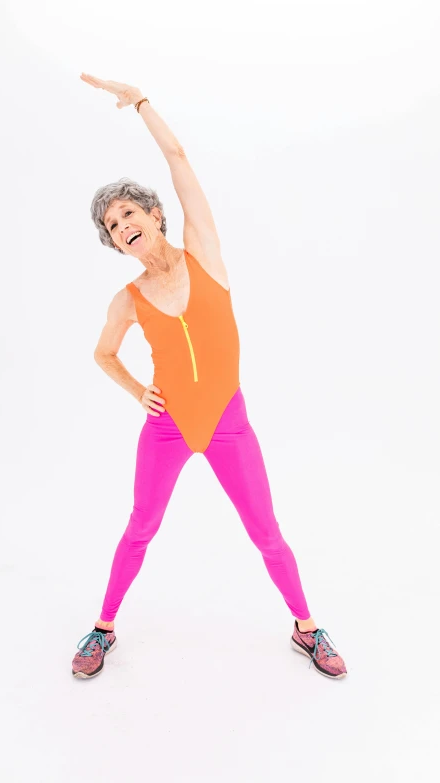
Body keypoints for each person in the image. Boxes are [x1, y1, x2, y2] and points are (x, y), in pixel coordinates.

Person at [71, 73, 347, 681]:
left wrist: (140, 102)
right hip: (167, 428)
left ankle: (306, 627)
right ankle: (104, 627)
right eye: (113, 227)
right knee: (139, 529)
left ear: (154, 214)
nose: (123, 226)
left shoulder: (205, 253)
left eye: (127, 213)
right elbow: (103, 355)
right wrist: (140, 392)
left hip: (228, 422)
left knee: (268, 534)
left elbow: (178, 159)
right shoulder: (128, 299)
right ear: (117, 246)